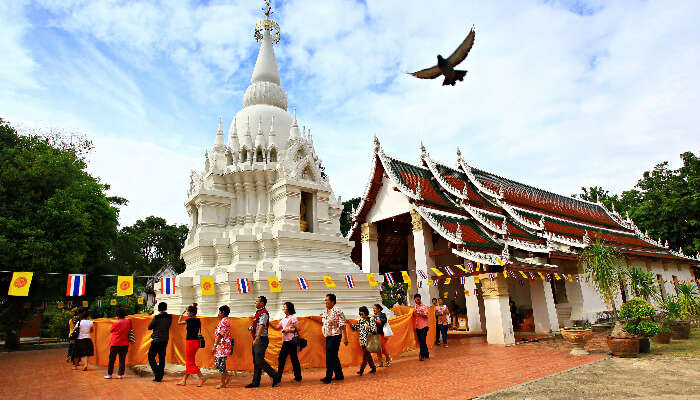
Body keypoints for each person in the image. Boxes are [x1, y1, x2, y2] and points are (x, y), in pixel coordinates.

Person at [246, 296, 279, 388]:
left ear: (262, 303)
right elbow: (256, 325)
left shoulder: (264, 313)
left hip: (261, 339)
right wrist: (251, 328)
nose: (255, 303)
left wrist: (257, 337)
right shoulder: (258, 313)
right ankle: (255, 382)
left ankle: (274, 375)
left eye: (257, 301)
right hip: (257, 338)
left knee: (259, 360)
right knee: (256, 361)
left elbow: (261, 325)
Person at [320, 293, 348, 384]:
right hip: (328, 336)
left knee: (330, 356)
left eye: (327, 300)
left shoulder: (337, 311)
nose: (325, 302)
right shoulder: (325, 312)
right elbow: (324, 322)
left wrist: (345, 337)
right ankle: (339, 375)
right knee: (334, 356)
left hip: (335, 336)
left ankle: (328, 377)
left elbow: (342, 324)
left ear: (332, 301)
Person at [271, 301, 302, 383]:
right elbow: (277, 327)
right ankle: (278, 377)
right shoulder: (284, 319)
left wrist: (288, 330)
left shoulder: (293, 318)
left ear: (289, 309)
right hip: (285, 341)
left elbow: (298, 328)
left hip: (291, 341)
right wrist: (268, 323)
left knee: (293, 359)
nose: (283, 309)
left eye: (284, 308)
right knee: (281, 358)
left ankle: (298, 377)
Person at [177, 304, 206, 387]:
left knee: (190, 362)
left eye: (188, 312)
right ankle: (184, 380)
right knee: (190, 362)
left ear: (192, 312)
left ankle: (202, 377)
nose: (187, 313)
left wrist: (182, 313)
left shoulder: (189, 320)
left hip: (190, 342)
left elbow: (178, 322)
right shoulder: (198, 320)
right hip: (196, 342)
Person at [148, 302, 172, 382]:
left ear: (158, 309)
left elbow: (150, 327)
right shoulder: (169, 317)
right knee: (162, 358)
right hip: (165, 339)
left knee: (151, 357)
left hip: (156, 339)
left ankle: (157, 372)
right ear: (166, 308)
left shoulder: (157, 317)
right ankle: (160, 375)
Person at [105, 308, 132, 379]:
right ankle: (120, 374)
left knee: (112, 359)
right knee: (122, 359)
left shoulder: (116, 323)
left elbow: (111, 330)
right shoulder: (128, 321)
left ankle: (109, 374)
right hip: (125, 343)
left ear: (117, 315)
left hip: (115, 343)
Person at [351, 306, 377, 376]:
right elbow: (355, 328)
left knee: (365, 356)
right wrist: (349, 323)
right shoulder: (360, 320)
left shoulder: (371, 319)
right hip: (362, 340)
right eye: (360, 314)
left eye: (362, 314)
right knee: (368, 356)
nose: (361, 316)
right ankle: (373, 368)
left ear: (366, 313)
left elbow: (374, 330)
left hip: (369, 340)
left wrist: (369, 327)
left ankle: (361, 370)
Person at [213, 305, 232, 389]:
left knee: (221, 364)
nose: (218, 314)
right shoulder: (222, 321)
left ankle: (222, 383)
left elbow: (220, 335)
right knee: (217, 364)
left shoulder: (224, 322)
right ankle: (227, 376)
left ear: (223, 313)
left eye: (219, 312)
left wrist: (215, 345)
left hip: (223, 346)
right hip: (221, 346)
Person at [413, 294, 430, 361]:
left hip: (424, 326)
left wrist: (419, 313)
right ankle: (426, 353)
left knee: (422, 340)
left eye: (418, 299)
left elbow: (426, 316)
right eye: (416, 299)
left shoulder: (424, 307)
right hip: (417, 326)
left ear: (420, 299)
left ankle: (421, 355)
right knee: (421, 341)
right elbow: (413, 316)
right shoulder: (415, 307)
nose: (417, 300)